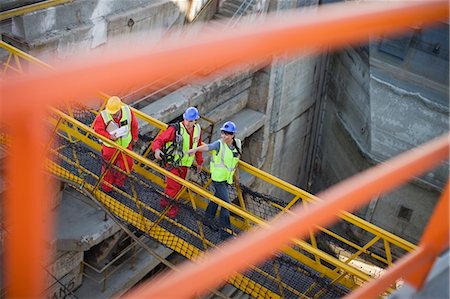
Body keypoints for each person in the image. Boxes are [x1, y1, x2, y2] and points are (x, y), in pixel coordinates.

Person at [187, 121, 241, 240]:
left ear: (233, 135)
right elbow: (208, 147)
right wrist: (195, 150)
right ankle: (225, 234)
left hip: (227, 179)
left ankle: (207, 218)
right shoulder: (219, 144)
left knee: (216, 199)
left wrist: (236, 176)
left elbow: (236, 160)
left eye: (227, 134)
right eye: (223, 133)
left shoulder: (237, 143)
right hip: (218, 179)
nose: (224, 136)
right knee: (226, 205)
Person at [152, 106, 204, 218]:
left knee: (178, 187)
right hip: (173, 165)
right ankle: (171, 214)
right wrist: (156, 150)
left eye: (190, 121)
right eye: (186, 120)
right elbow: (159, 140)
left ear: (195, 121)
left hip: (185, 165)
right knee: (174, 189)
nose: (188, 123)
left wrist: (199, 162)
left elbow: (198, 146)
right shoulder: (175, 130)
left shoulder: (198, 130)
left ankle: (164, 203)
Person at [93, 96, 138, 192]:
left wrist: (134, 138)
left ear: (120, 108)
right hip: (110, 147)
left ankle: (119, 183)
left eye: (115, 113)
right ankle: (107, 187)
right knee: (108, 166)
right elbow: (97, 130)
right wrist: (109, 137)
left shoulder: (127, 111)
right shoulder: (103, 116)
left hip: (125, 146)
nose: (113, 115)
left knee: (127, 165)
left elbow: (134, 125)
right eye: (111, 113)